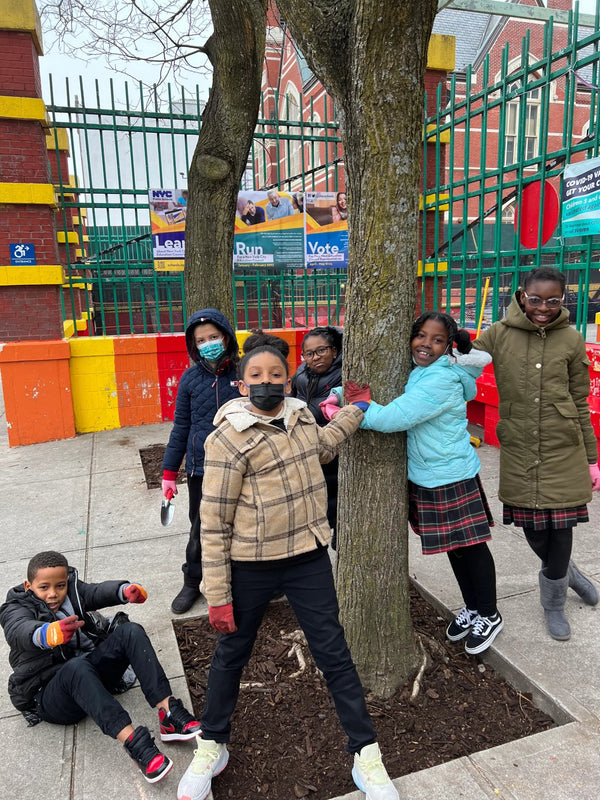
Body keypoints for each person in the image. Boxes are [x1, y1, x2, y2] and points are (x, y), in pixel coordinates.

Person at [176, 345, 399, 800]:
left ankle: (365, 752)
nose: (266, 381)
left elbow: (323, 446)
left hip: (307, 558)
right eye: (255, 374)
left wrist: (355, 409)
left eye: (275, 373)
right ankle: (212, 744)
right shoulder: (226, 438)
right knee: (231, 652)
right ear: (241, 385)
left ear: (287, 379)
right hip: (249, 567)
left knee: (333, 652)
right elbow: (213, 521)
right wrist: (216, 594)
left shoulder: (300, 417)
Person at [338, 312, 502, 656]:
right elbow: (397, 395)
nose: (426, 344)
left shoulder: (439, 379)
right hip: (433, 472)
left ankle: (489, 612)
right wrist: (340, 391)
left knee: (470, 547)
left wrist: (356, 405)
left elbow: (392, 418)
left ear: (449, 347)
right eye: (421, 336)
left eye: (437, 340)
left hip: (450, 474)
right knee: (455, 547)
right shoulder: (421, 371)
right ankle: (472, 607)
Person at [473, 267, 600, 640]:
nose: (543, 307)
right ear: (521, 295)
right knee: (533, 529)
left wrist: (592, 458)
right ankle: (568, 574)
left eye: (553, 300)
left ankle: (553, 604)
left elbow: (579, 401)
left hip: (564, 444)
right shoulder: (498, 334)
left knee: (560, 529)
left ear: (564, 299)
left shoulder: (572, 339)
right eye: (536, 299)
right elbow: (465, 364)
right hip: (519, 443)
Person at [0, 550, 201, 784]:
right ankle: (134, 743)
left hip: (88, 673)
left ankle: (167, 712)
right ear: (28, 585)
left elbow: (96, 592)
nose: (54, 594)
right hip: (50, 695)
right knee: (76, 668)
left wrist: (124, 591)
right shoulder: (15, 606)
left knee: (130, 631)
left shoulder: (72, 591)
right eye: (44, 587)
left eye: (60, 585)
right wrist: (46, 633)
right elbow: (18, 630)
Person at [162, 309, 240, 614]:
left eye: (213, 337)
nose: (209, 343)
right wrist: (169, 473)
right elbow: (181, 426)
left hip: (240, 465)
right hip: (201, 468)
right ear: (194, 346)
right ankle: (193, 581)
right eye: (201, 340)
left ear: (226, 336)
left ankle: (243, 579)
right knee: (201, 527)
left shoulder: (245, 371)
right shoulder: (190, 379)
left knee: (243, 524)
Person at [291, 326, 343, 546]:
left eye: (321, 350)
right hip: (309, 447)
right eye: (309, 353)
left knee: (337, 494)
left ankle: (339, 530)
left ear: (334, 350)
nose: (315, 358)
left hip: (336, 447)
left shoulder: (345, 371)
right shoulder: (301, 374)